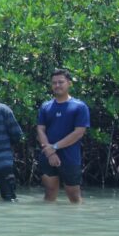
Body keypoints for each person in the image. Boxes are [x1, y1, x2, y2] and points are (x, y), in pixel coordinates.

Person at [36, 68, 90, 204]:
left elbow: (79, 132)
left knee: (74, 197)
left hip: (70, 157)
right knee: (49, 193)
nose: (57, 85)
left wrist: (54, 147)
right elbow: (40, 130)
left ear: (69, 83)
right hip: (47, 155)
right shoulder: (45, 106)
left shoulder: (79, 106)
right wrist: (50, 153)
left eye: (61, 82)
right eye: (54, 83)